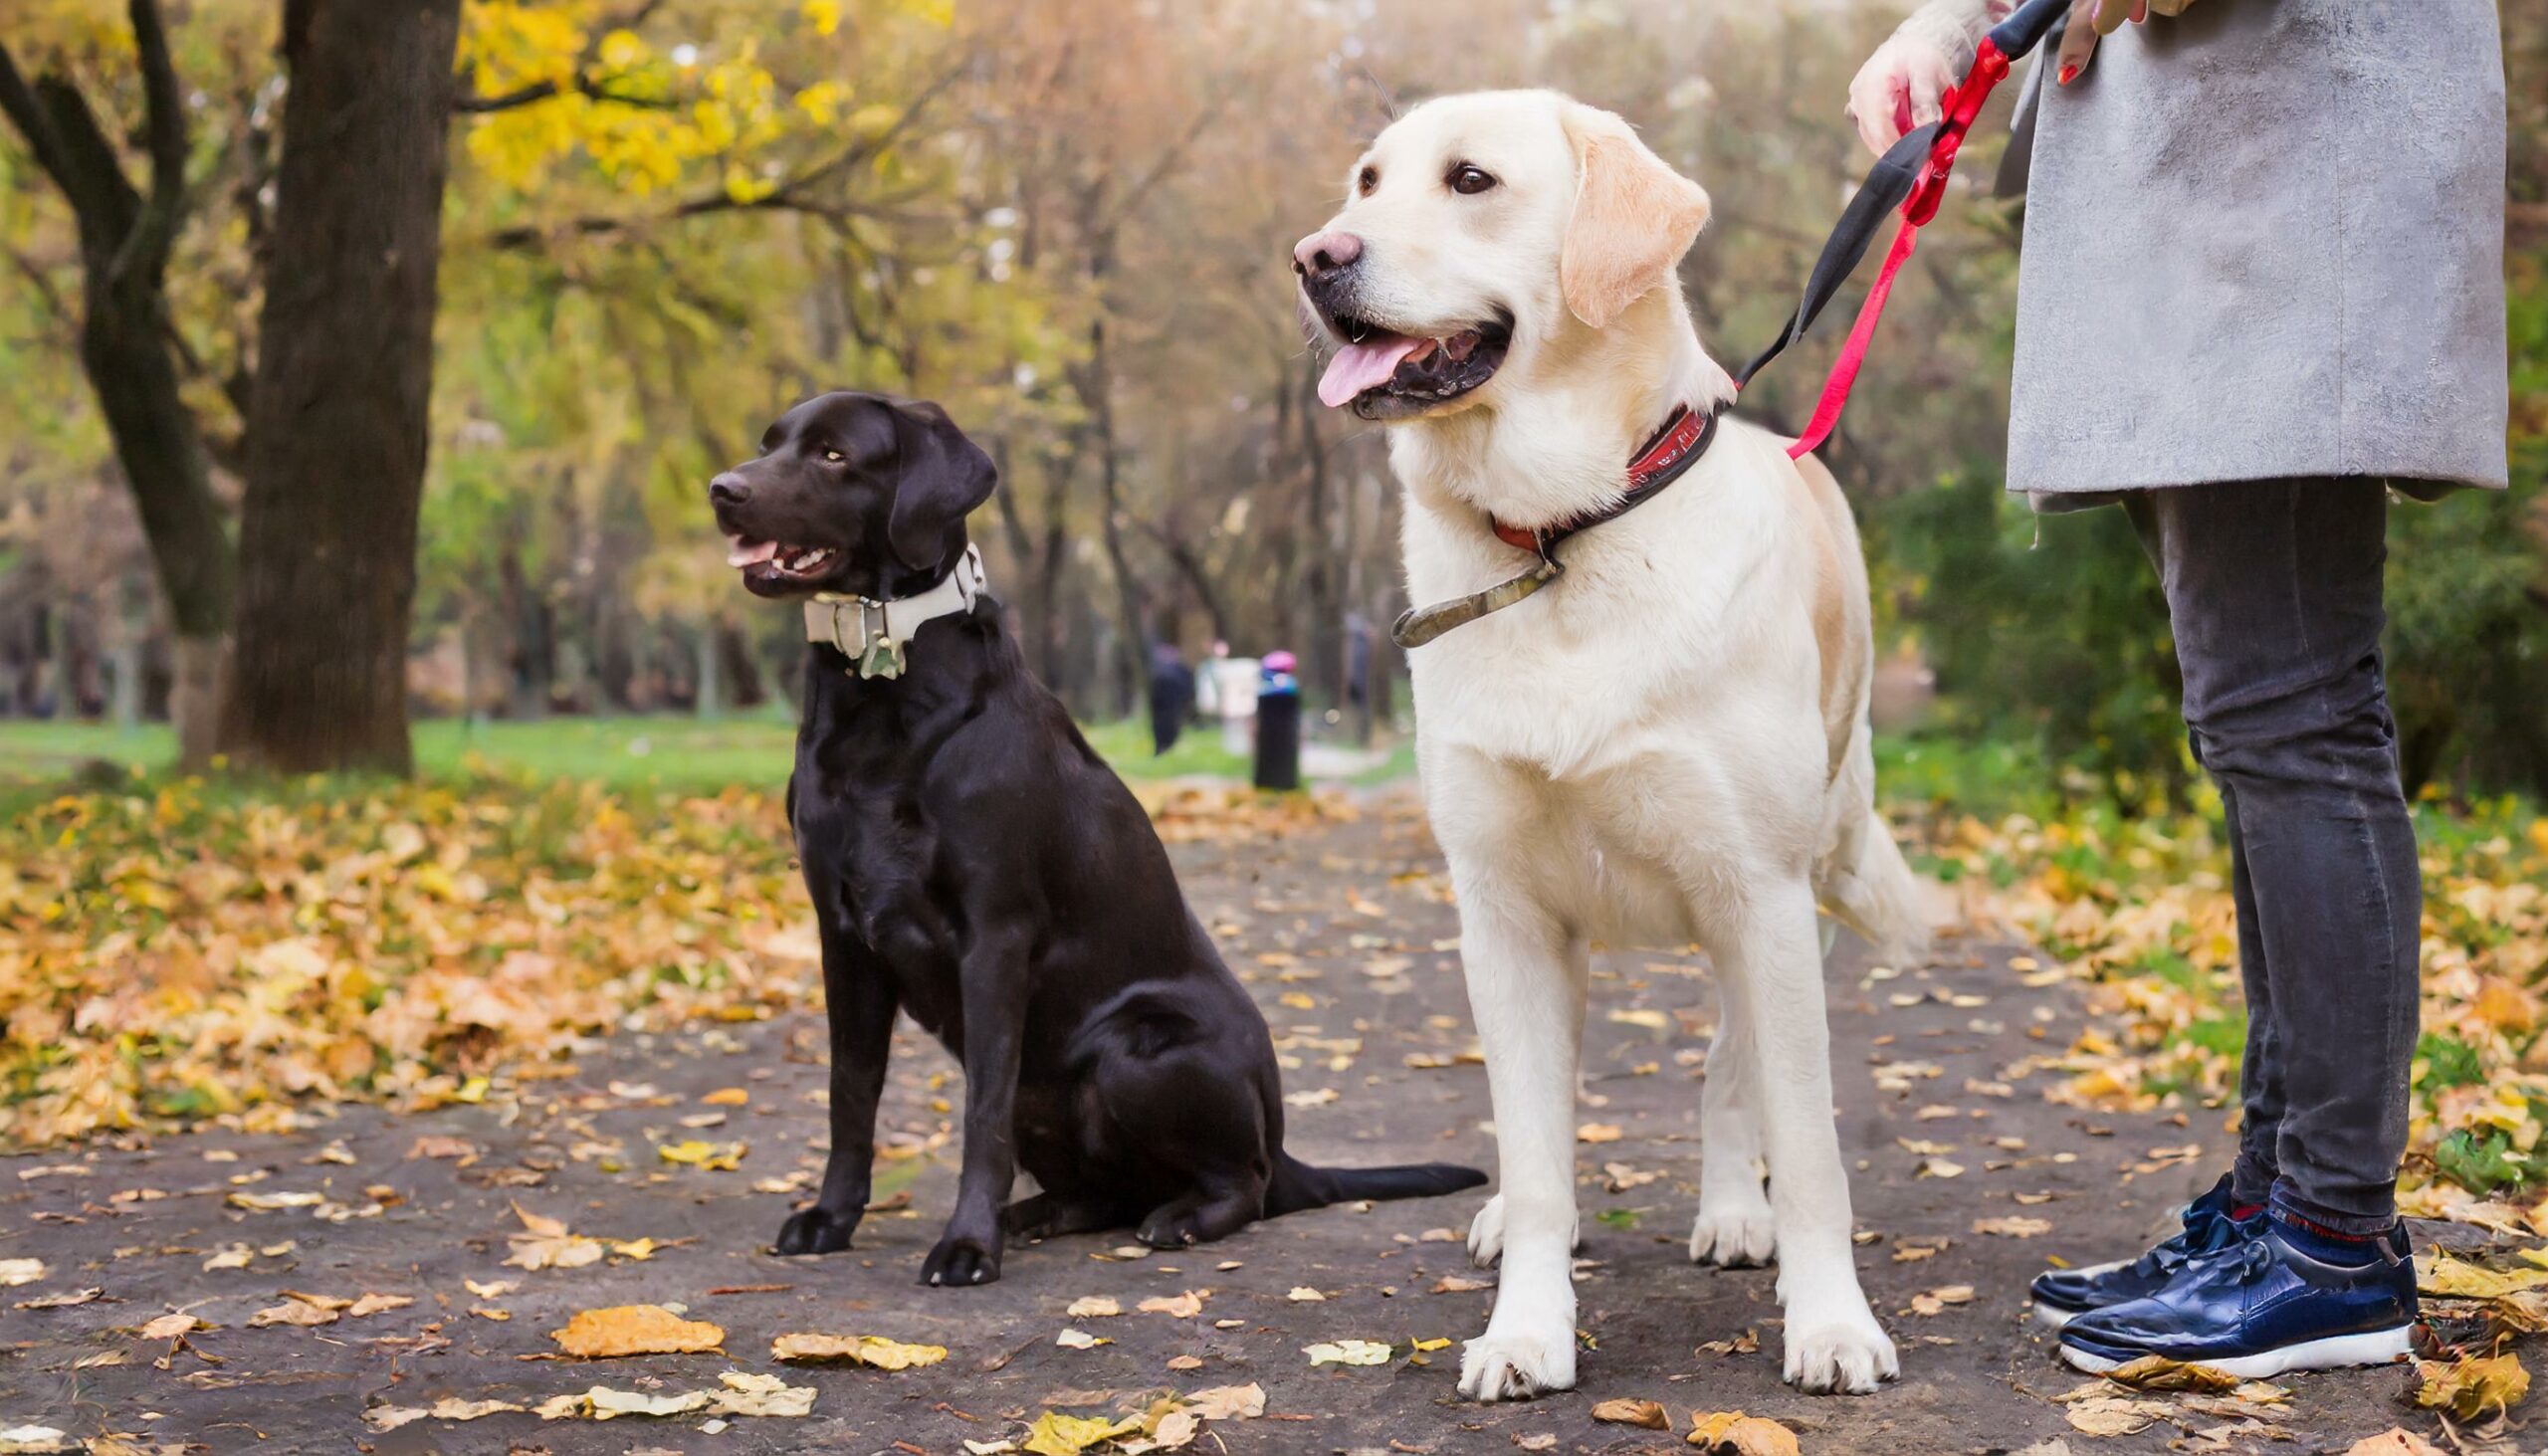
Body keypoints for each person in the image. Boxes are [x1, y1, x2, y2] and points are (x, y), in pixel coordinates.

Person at [1848, 0, 2507, 1376]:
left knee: (2299, 718)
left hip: (2289, 190)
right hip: (2207, 203)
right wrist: (1948, 27)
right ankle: (2279, 1201)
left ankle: (2334, 1239)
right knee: (2260, 722)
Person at [1148, 641, 1194, 756]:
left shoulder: (1169, 670)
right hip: (1168, 705)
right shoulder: (1173, 670)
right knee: (1166, 727)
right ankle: (1164, 748)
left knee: (1165, 727)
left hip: (1168, 704)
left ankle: (1164, 748)